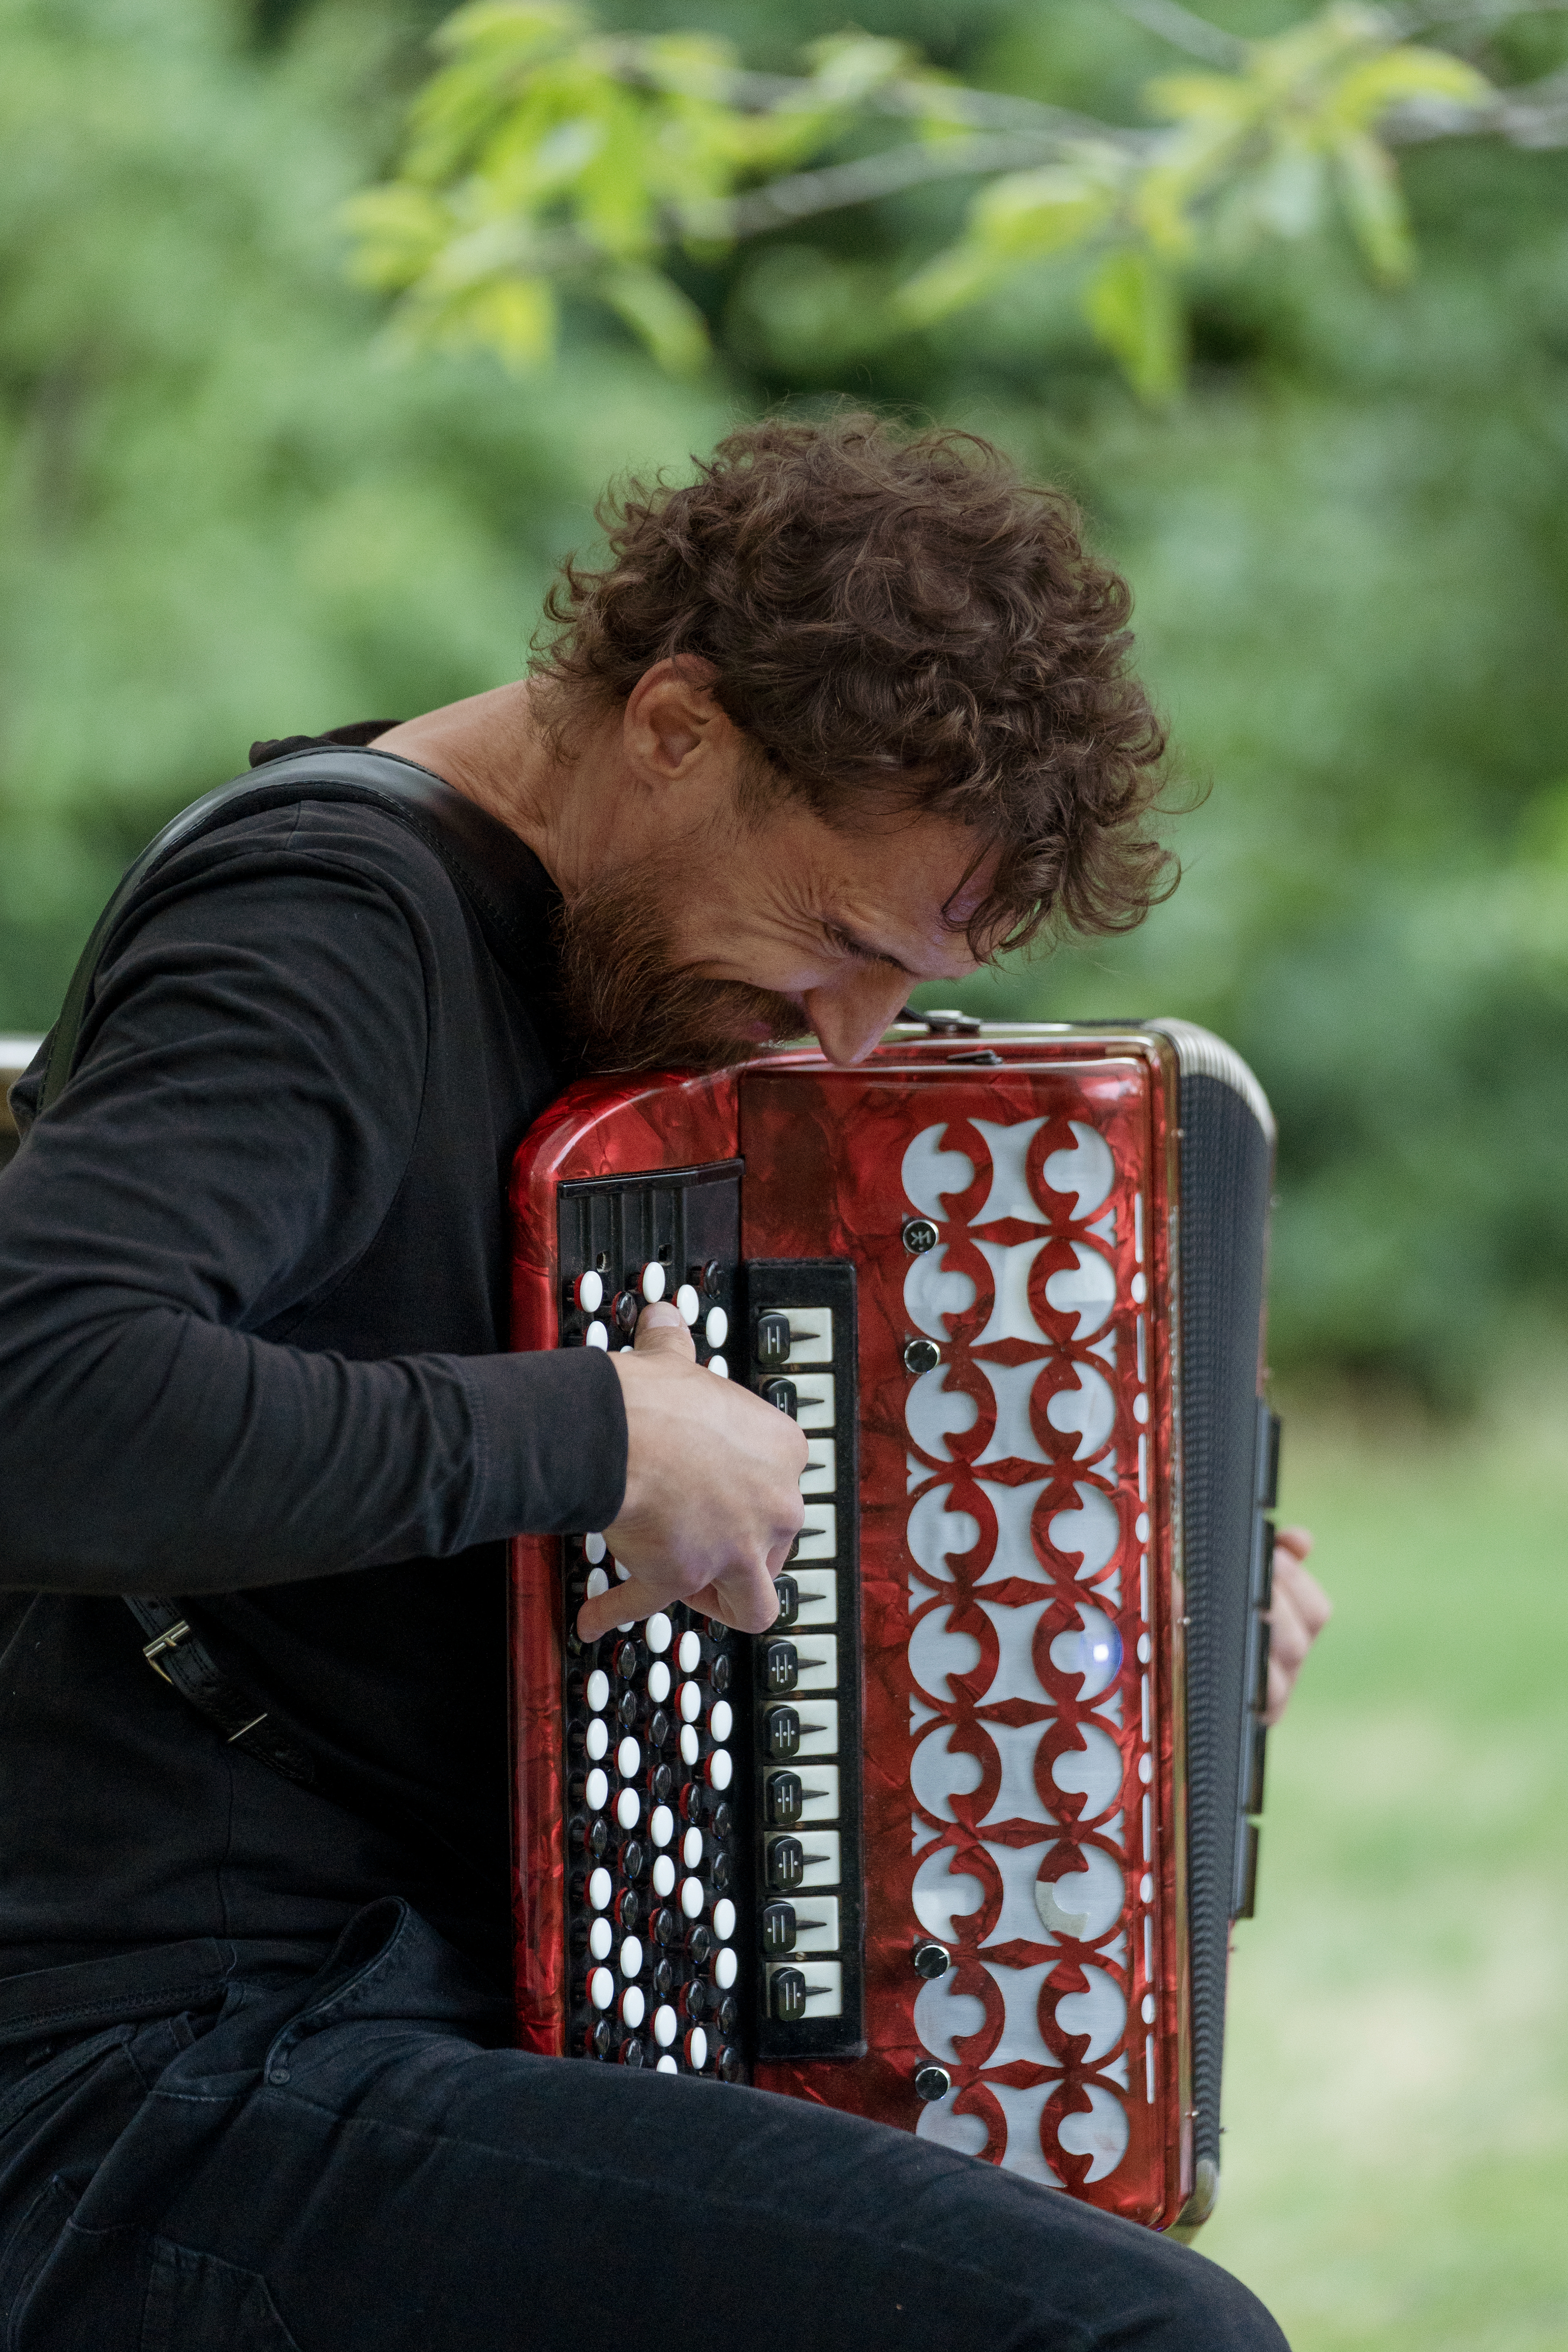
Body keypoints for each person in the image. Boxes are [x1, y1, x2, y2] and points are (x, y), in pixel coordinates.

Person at [0, 414, 1328, 2350]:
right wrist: (601, 1440)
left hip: (437, 2007)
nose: (850, 1037)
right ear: (678, 722)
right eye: (835, 940)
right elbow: (40, 1403)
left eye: (915, 980)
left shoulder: (610, 966)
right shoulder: (328, 927)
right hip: (149, 2081)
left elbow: (713, 1524)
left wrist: (1142, 1641)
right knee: (1136, 2339)